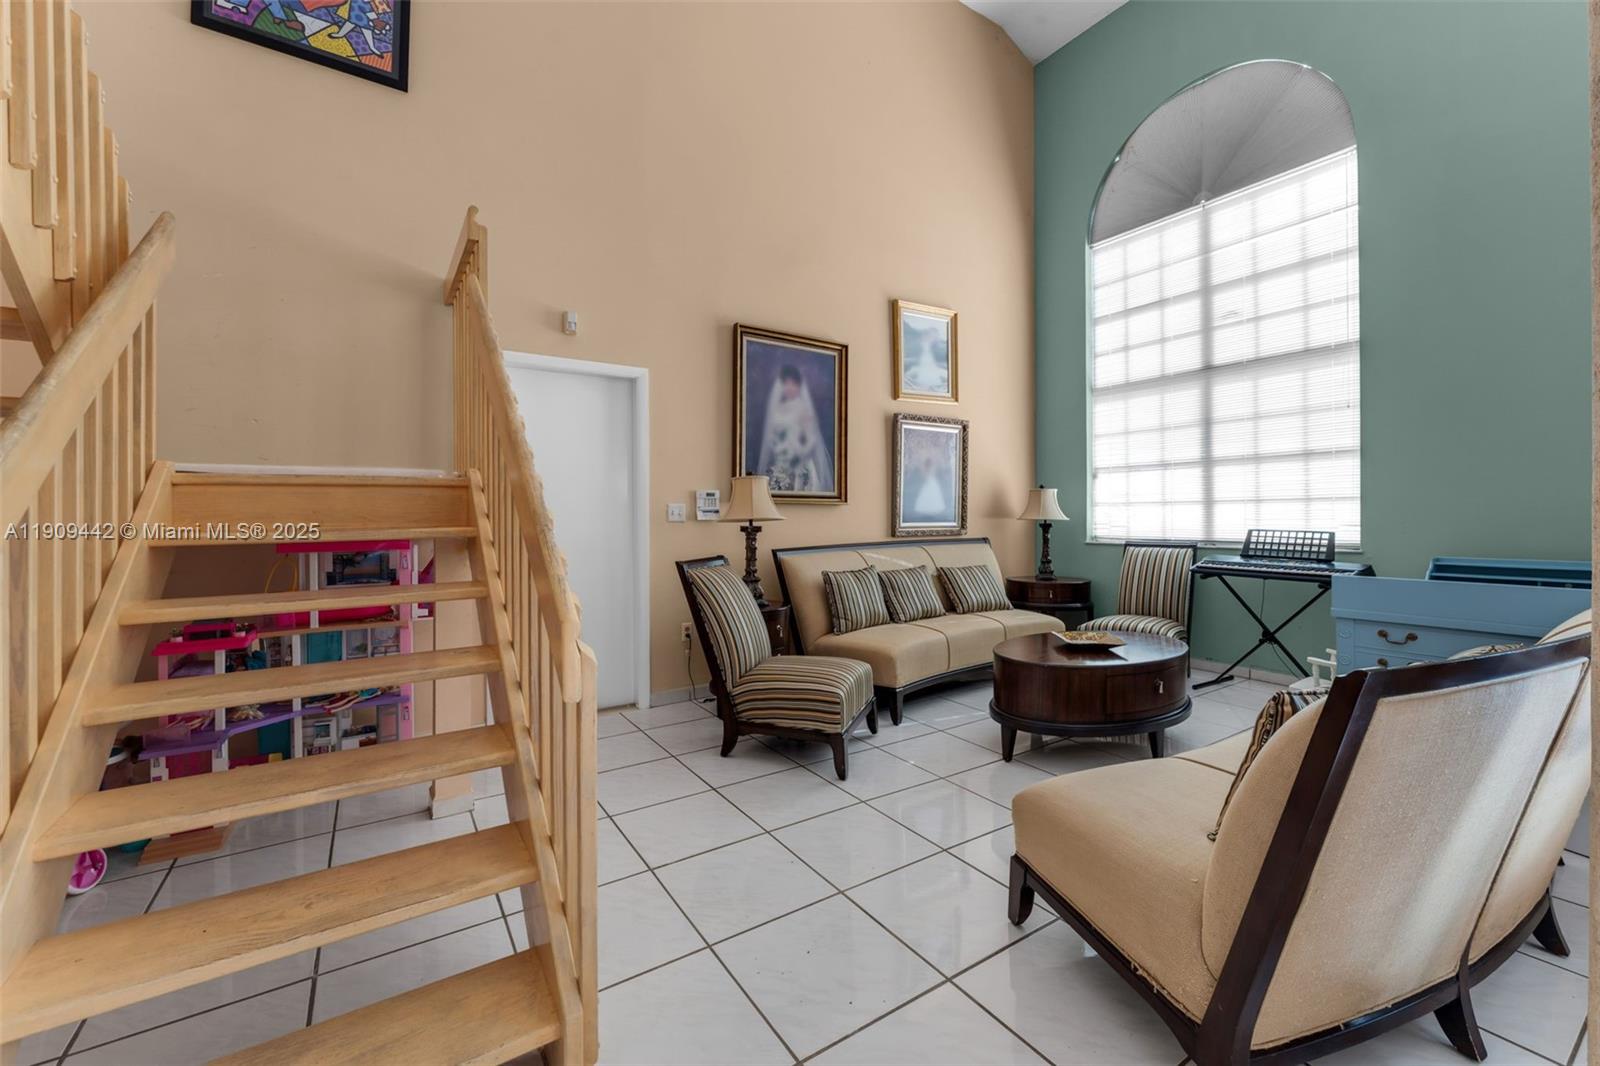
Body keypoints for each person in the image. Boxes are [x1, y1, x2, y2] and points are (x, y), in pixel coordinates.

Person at [756, 365, 833, 494]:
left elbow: (811, 439)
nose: (790, 387)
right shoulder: (777, 409)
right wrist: (779, 452)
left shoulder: (803, 409)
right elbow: (772, 438)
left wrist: (799, 453)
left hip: (800, 463)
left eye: (794, 384)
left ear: (799, 386)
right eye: (786, 383)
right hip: (780, 462)